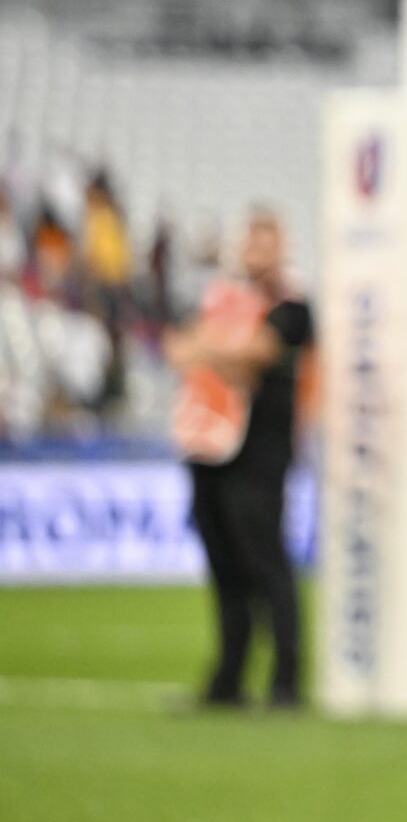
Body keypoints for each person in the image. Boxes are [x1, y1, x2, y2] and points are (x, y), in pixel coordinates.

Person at [165, 209, 314, 710]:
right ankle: (227, 681)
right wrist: (219, 351)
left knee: (266, 564)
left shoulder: (292, 305)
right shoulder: (223, 300)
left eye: (265, 244)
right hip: (210, 450)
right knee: (224, 567)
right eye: (250, 242)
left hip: (260, 456)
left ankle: (286, 681)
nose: (255, 253)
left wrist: (211, 350)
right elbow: (177, 348)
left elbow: (256, 353)